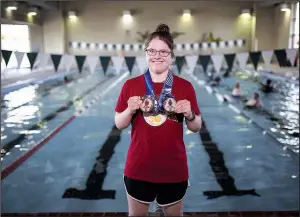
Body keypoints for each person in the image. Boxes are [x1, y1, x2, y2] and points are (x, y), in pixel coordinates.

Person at [114, 24, 202, 216]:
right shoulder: (130, 85)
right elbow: (119, 123)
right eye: (152, 50)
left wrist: (190, 115)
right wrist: (129, 109)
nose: (157, 55)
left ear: (171, 56)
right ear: (146, 53)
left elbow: (196, 127)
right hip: (139, 168)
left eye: (163, 51)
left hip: (174, 169)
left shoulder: (185, 87)